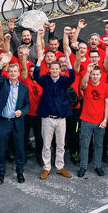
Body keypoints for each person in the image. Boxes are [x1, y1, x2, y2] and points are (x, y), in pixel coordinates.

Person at [34, 24, 76, 179]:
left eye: (57, 69)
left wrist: (69, 62)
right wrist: (39, 61)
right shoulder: (44, 79)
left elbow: (72, 77)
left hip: (61, 118)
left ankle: (60, 166)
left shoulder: (64, 80)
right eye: (52, 69)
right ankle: (46, 167)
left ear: (59, 70)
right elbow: (36, 76)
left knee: (61, 144)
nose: (54, 71)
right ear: (49, 69)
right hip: (47, 118)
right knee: (46, 145)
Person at [0, 57, 31, 183]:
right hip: (4, 122)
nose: (13, 73)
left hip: (17, 122)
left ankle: (20, 172)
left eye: (15, 71)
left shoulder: (24, 88)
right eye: (11, 71)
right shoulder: (4, 84)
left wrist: (22, 112)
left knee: (19, 149)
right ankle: (1, 173)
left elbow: (27, 105)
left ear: (19, 73)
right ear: (8, 73)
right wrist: (1, 65)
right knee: (1, 149)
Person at [77, 61, 108, 177]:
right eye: (93, 74)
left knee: (98, 145)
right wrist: (87, 71)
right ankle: (83, 167)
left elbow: (107, 104)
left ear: (100, 75)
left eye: (97, 74)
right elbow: (82, 85)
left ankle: (98, 166)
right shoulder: (87, 84)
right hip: (86, 120)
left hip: (99, 121)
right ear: (91, 75)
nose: (95, 76)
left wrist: (105, 120)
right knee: (85, 145)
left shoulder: (105, 86)